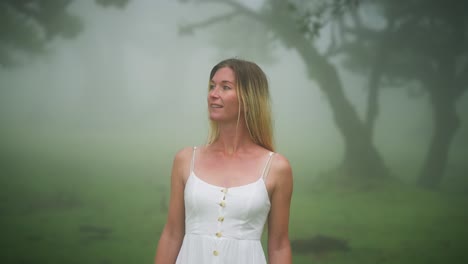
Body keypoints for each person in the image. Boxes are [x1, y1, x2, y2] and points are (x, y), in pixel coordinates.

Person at [154, 58, 293, 264]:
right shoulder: (185, 160)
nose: (213, 94)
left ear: (249, 98)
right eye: (212, 86)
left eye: (225, 87)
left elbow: (279, 246)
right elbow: (172, 235)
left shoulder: (276, 168)